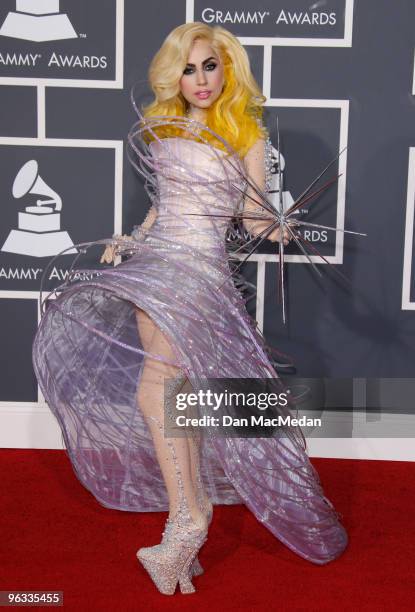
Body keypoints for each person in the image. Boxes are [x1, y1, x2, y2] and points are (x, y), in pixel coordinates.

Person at [32, 22, 348, 596]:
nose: (200, 79)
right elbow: (164, 205)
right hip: (155, 265)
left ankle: (187, 524)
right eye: (189, 68)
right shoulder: (160, 128)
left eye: (210, 66)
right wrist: (131, 239)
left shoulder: (245, 132)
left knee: (158, 388)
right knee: (173, 393)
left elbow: (251, 217)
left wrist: (276, 227)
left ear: (228, 70)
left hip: (199, 274)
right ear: (172, 74)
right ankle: (191, 508)